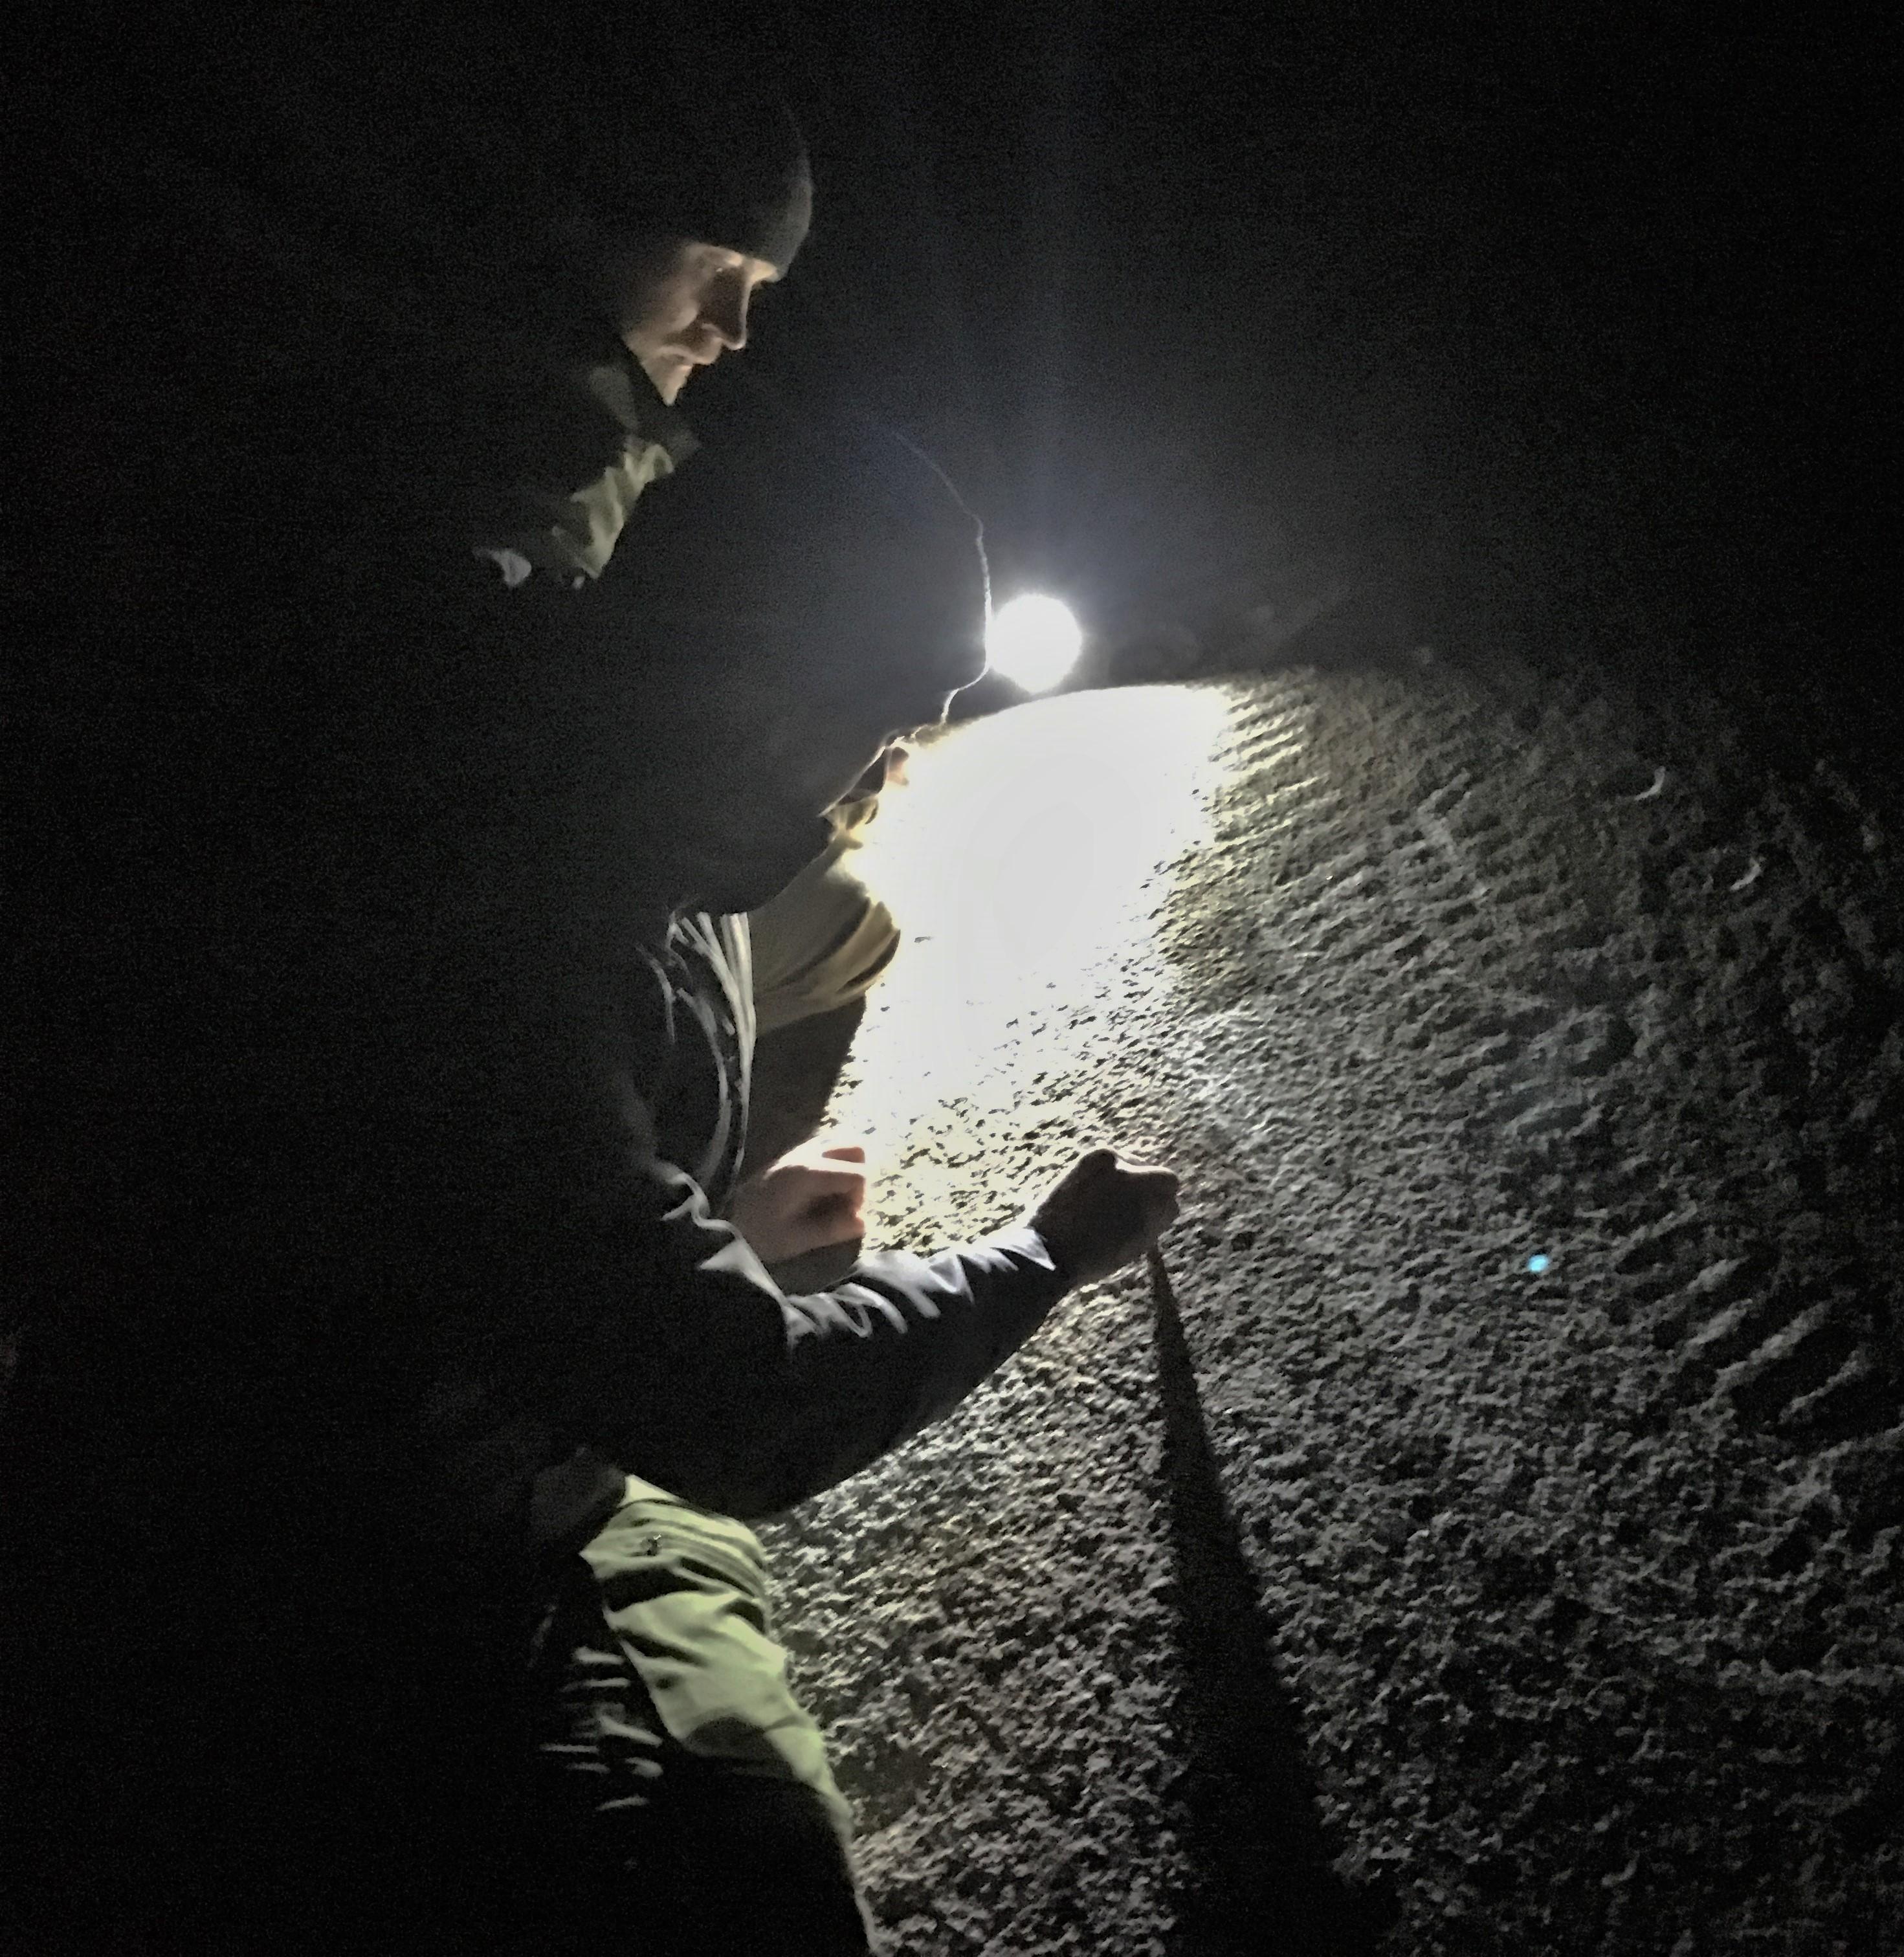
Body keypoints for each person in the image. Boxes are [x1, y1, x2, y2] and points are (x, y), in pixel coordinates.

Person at [5, 16, 1178, 1948]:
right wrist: (1035, 1258)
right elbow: (722, 1400)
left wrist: (660, 1216)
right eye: (866, 733)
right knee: (743, 1879)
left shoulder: (551, 707)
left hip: (332, 1397)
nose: (729, 333)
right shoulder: (478, 859)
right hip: (302, 1582)